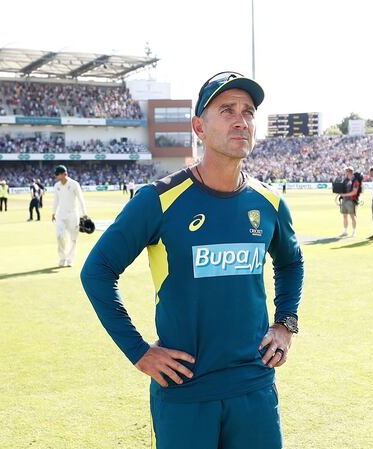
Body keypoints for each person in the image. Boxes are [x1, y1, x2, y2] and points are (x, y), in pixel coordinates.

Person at [81, 72, 304, 449]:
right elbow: (97, 272)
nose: (241, 120)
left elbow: (291, 262)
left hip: (254, 388)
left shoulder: (268, 202)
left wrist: (285, 323)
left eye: (249, 112)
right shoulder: (159, 199)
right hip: (184, 393)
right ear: (199, 126)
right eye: (227, 110)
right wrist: (139, 351)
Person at [51, 165, 88, 267]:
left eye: (58, 174)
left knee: (73, 239)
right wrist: (53, 212)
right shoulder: (56, 186)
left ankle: (70, 259)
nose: (56, 176)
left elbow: (81, 199)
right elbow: (56, 200)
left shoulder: (74, 184)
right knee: (59, 236)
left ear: (64, 174)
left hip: (73, 215)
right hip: (61, 215)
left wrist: (84, 213)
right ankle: (62, 258)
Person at [337, 166, 360, 237]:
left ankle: (354, 231)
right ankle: (345, 231)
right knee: (344, 216)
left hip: (351, 201)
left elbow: (354, 192)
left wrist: (344, 194)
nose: (345, 173)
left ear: (350, 172)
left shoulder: (355, 181)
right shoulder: (345, 180)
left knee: (352, 217)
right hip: (344, 200)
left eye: (346, 171)